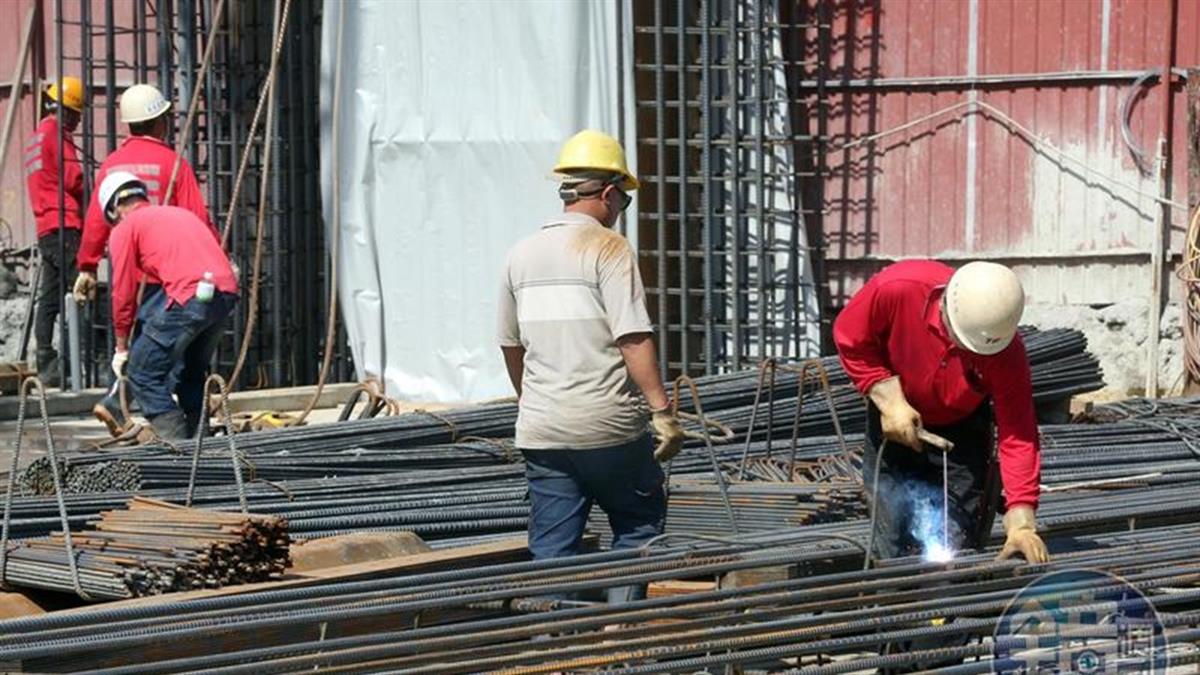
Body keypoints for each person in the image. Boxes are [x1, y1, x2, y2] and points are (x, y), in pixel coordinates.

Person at [497, 129, 684, 604]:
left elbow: (509, 344)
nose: (620, 208)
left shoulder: (520, 254)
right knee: (638, 524)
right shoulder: (608, 248)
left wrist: (534, 401)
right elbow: (633, 337)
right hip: (608, 427)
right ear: (608, 193)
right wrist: (662, 411)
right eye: (622, 198)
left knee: (552, 548)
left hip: (542, 430)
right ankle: (620, 632)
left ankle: (553, 643)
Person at [833, 259, 1049, 566]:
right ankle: (891, 603)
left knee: (956, 543)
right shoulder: (896, 290)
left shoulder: (1006, 353)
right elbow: (851, 339)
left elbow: (1018, 433)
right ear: (945, 308)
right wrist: (889, 398)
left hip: (963, 429)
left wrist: (1022, 520)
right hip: (896, 413)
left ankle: (947, 606)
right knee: (890, 535)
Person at [72, 83, 216, 433]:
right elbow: (197, 218)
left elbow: (95, 220)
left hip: (129, 268)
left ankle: (118, 401)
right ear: (160, 121)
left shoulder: (112, 165)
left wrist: (88, 265)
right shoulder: (174, 163)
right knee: (175, 354)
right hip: (170, 275)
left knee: (138, 344)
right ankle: (180, 424)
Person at [95, 171, 238, 440]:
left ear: (114, 210)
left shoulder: (125, 228)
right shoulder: (178, 214)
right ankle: (201, 446)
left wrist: (122, 347)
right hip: (225, 295)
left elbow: (122, 293)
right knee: (190, 372)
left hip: (192, 295)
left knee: (142, 371)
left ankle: (177, 447)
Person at [24, 76, 86, 385]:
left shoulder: (36, 136)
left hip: (46, 228)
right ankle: (87, 364)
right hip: (65, 225)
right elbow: (73, 178)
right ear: (65, 110)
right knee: (83, 290)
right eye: (75, 114)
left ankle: (47, 368)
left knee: (49, 300)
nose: (76, 121)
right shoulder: (57, 135)